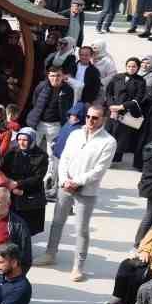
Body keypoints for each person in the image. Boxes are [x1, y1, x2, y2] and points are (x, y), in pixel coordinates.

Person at [38, 104, 114, 281]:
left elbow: (99, 170)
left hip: (86, 190)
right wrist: (64, 179)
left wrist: (77, 182)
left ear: (103, 119)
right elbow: (63, 158)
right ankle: (50, 253)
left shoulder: (108, 141)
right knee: (57, 221)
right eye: (88, 117)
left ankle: (78, 266)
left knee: (81, 229)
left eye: (95, 118)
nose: (90, 120)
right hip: (65, 185)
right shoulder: (75, 134)